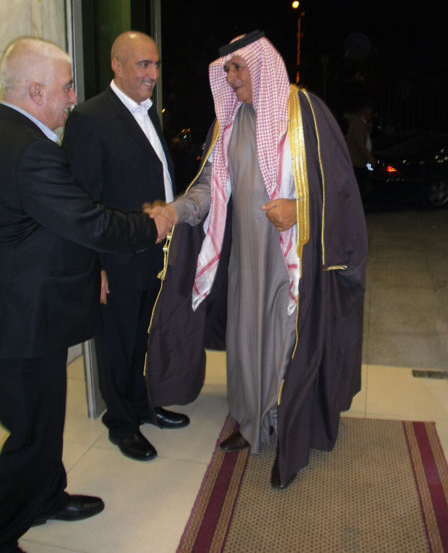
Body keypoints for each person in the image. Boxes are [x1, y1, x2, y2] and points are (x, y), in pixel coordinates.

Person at [144, 31, 368, 489]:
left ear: (263, 65)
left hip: (295, 262)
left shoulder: (305, 114)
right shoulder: (227, 123)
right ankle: (250, 423)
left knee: (288, 344)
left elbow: (341, 192)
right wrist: (173, 211)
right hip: (245, 262)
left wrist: (299, 209)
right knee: (246, 342)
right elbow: (208, 188)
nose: (230, 78)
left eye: (238, 67)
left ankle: (289, 432)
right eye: (225, 70)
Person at [0, 37, 169, 553]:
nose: (73, 98)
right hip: (25, 317)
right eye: (66, 87)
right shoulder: (30, 151)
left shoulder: (13, 135)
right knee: (32, 434)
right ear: (35, 91)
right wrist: (150, 227)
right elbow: (89, 220)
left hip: (27, 310)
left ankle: (45, 498)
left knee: (43, 423)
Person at [62, 31, 189, 463]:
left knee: (141, 339)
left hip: (153, 253)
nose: (153, 74)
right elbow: (82, 202)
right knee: (116, 345)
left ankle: (141, 406)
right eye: (143, 65)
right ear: (117, 66)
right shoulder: (90, 118)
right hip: (116, 259)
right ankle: (120, 422)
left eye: (156, 64)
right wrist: (93, 267)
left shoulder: (147, 111)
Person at [346, 104, 376, 206]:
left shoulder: (363, 124)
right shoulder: (358, 124)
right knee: (361, 184)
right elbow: (360, 144)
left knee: (363, 182)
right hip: (358, 161)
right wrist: (370, 158)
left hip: (361, 161)